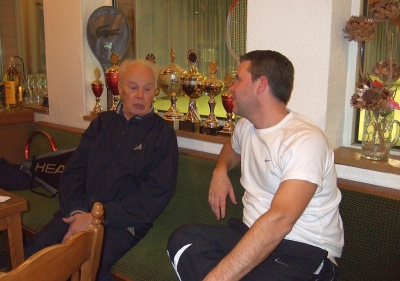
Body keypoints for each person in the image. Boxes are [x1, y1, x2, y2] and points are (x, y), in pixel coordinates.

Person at [167, 50, 344, 281]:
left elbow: (280, 219)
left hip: (302, 249)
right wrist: (220, 171)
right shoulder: (246, 127)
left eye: (239, 79)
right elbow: (231, 148)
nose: (231, 87)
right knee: (183, 241)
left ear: (261, 85)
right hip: (249, 233)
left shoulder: (304, 139)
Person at [24, 59, 179, 281]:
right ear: (121, 88)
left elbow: (155, 194)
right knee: (34, 255)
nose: (140, 95)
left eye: (147, 88)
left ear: (155, 91)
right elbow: (74, 171)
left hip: (123, 224)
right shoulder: (102, 123)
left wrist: (99, 217)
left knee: (83, 265)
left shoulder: (162, 134)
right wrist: (78, 212)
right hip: (79, 212)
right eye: (133, 87)